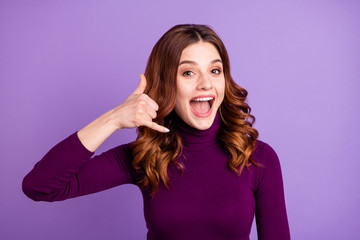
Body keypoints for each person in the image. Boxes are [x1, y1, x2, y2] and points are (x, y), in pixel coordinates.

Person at [22, 24, 291, 240]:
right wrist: (113, 119)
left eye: (215, 70)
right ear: (166, 84)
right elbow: (39, 187)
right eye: (188, 73)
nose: (206, 83)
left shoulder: (259, 158)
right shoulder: (145, 156)